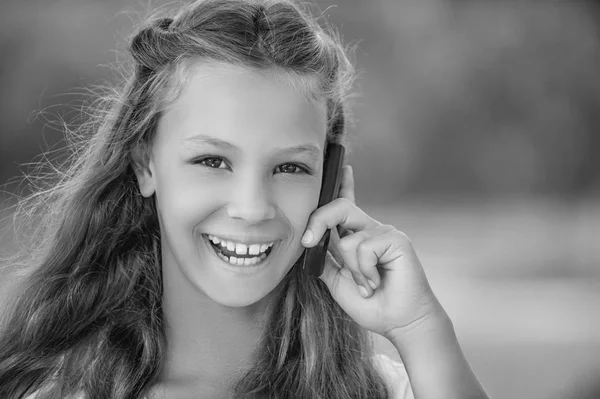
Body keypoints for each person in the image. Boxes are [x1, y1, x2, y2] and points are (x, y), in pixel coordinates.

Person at [0, 0, 489, 398]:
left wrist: (419, 327)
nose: (252, 208)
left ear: (330, 184)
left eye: (290, 168)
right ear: (146, 164)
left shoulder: (385, 389)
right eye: (212, 161)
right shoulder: (56, 391)